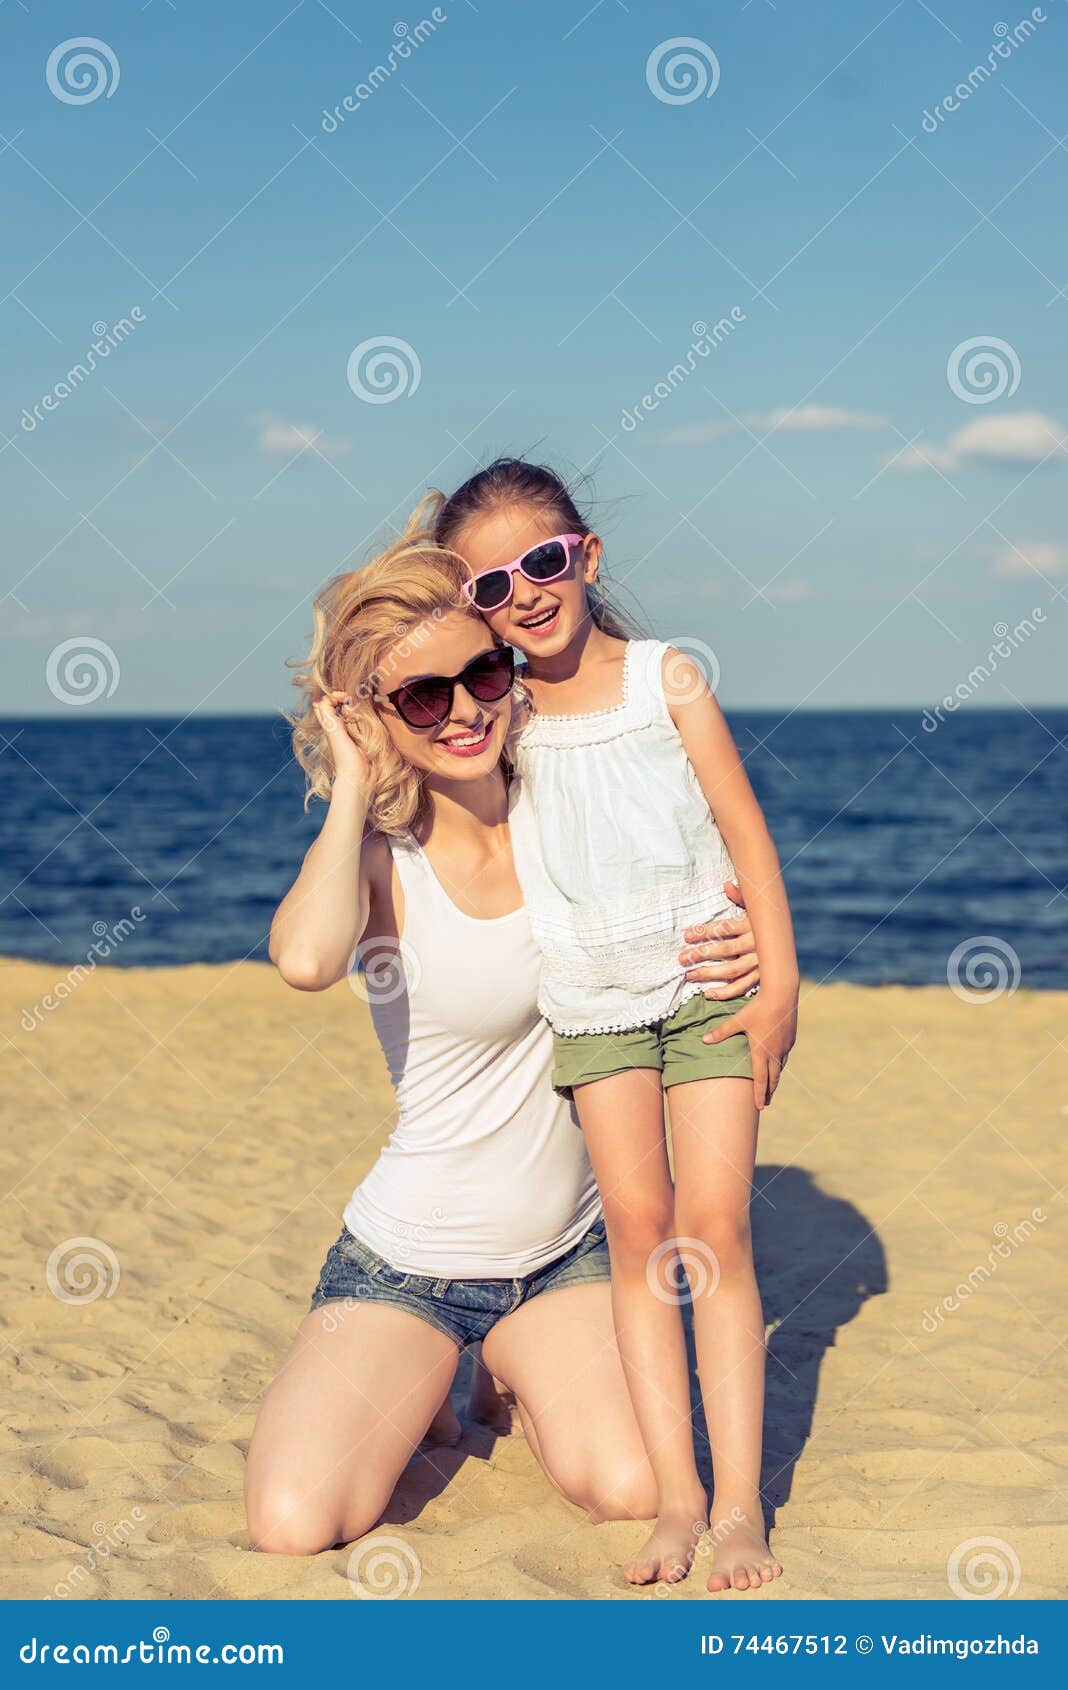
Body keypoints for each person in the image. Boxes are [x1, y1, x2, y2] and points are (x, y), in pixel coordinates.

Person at [244, 527, 763, 1588]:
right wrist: (350, 781)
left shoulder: (567, 814)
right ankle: (432, 1370)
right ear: (382, 718)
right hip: (408, 1265)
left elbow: (694, 856)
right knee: (295, 1522)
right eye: (422, 697)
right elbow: (302, 958)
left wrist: (743, 930)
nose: (466, 708)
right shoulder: (388, 865)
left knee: (627, 1486)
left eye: (480, 673)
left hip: (566, 1261)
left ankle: (504, 1383)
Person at [431, 458, 797, 1591]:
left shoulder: (666, 679)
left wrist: (778, 985)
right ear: (472, 607)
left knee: (716, 1230)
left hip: (706, 988)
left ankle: (739, 1506)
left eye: (542, 562)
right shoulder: (502, 715)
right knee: (639, 1237)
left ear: (585, 557)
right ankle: (678, 1497)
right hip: (592, 1010)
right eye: (490, 584)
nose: (526, 593)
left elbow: (745, 830)